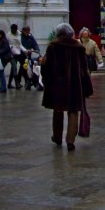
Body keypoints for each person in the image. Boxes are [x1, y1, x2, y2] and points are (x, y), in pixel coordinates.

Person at [41, 23, 93, 151]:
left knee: (58, 110)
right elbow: (85, 69)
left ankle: (57, 137)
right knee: (73, 111)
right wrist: (87, 87)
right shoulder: (78, 47)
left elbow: (46, 66)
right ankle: (70, 141)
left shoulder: (53, 47)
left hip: (57, 84)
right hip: (75, 84)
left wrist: (46, 81)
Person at [7, 23, 25, 89]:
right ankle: (17, 83)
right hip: (11, 54)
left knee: (13, 69)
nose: (13, 31)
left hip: (18, 53)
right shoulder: (8, 35)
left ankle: (9, 84)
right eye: (12, 29)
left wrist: (24, 50)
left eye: (14, 29)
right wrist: (11, 47)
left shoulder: (19, 34)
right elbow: (7, 44)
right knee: (14, 68)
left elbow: (20, 44)